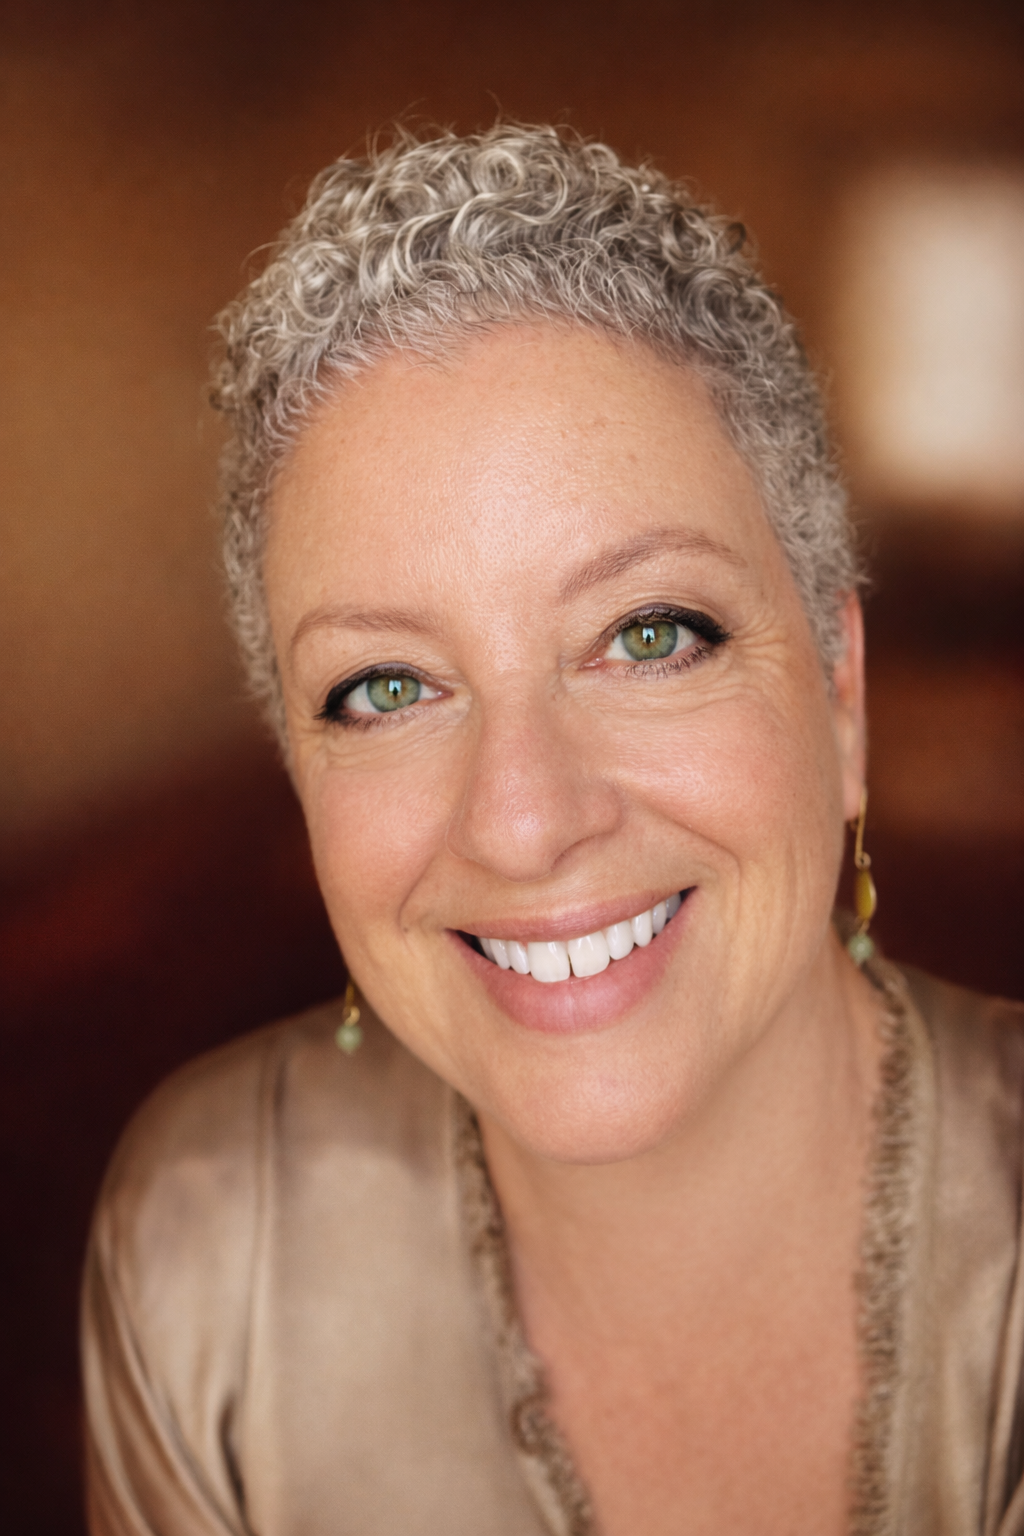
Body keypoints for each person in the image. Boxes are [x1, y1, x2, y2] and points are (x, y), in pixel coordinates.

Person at [81, 125, 1024, 1536]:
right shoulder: (214, 1245)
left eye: (649, 634)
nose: (522, 821)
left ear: (840, 697)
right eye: (384, 687)